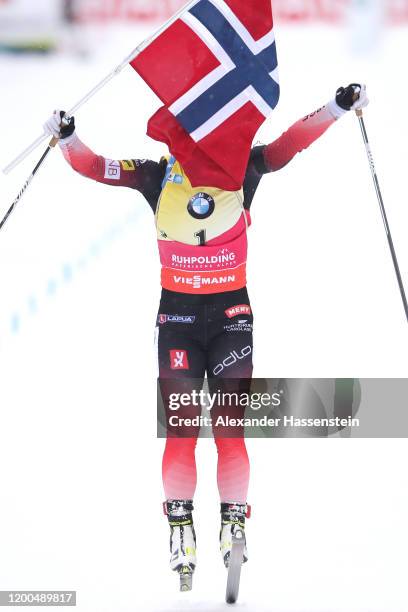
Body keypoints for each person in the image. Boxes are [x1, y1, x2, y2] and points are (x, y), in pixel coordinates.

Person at [44, 83, 369, 589]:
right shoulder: (156, 174)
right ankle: (180, 527)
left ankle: (233, 521)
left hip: (231, 319)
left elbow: (287, 147)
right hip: (176, 322)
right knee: (181, 430)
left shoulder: (240, 168)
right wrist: (67, 138)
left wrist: (337, 107)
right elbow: (96, 167)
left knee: (228, 430)